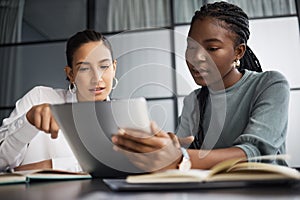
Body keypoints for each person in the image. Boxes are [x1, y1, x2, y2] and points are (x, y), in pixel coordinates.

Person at [112, 1, 290, 172]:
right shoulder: (194, 101)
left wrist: (181, 158)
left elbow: (255, 153)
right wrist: (165, 145)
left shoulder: (270, 84)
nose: (196, 57)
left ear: (238, 52)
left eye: (211, 48)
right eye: (191, 47)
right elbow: (183, 149)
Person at [0, 29, 118, 172]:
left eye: (104, 66)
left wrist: (49, 166)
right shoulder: (40, 98)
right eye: (84, 68)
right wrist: (28, 122)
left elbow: (122, 164)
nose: (97, 78)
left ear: (114, 68)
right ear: (71, 74)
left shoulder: (123, 117)